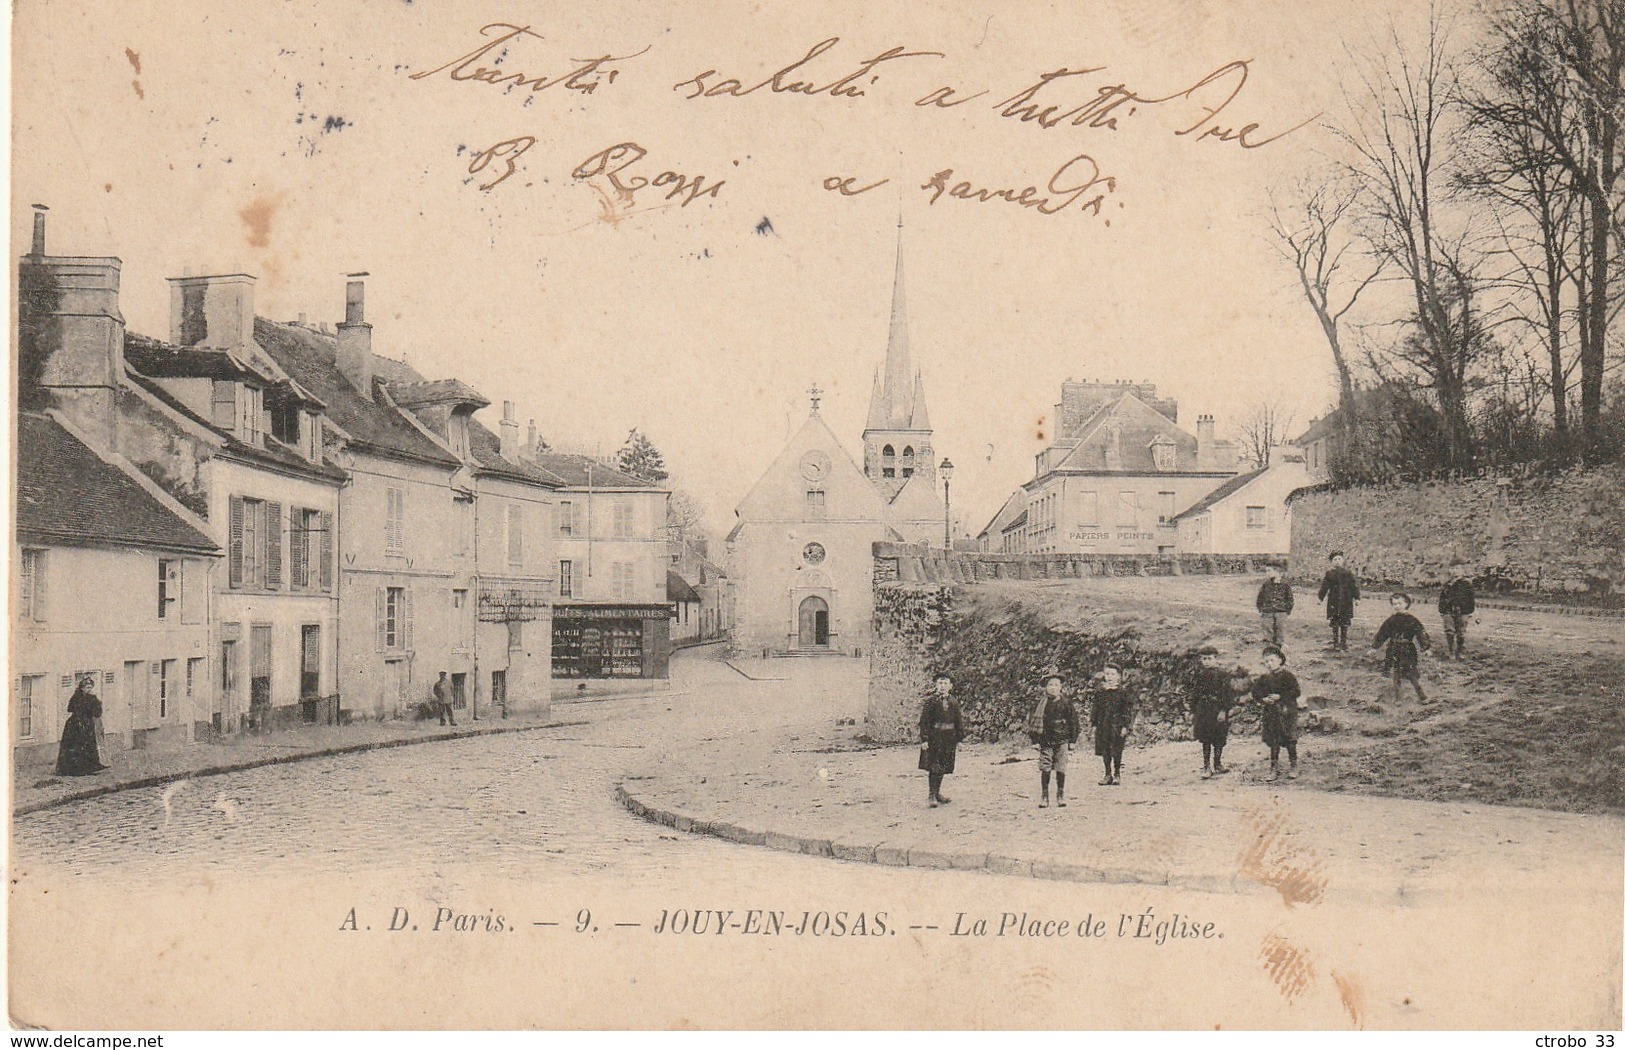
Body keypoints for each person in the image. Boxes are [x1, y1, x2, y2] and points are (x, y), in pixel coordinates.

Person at [1250, 646, 1302, 781]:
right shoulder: (1264, 678)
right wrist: (1263, 699)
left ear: (1280, 660)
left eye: (1272, 660)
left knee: (1290, 739)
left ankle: (1294, 765)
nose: (1269, 664)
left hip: (1287, 712)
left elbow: (1296, 692)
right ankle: (1273, 768)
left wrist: (1281, 696)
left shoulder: (1288, 676)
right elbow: (1255, 692)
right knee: (1274, 740)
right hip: (1271, 712)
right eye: (1266, 661)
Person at [1028, 672, 1080, 808]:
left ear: (1061, 687)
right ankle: (1044, 796)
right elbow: (1032, 722)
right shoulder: (1041, 704)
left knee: (1061, 768)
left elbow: (1074, 722)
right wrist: (1035, 741)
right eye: (1050, 685)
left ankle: (1060, 795)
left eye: (1056, 685)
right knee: (1045, 767)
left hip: (1062, 739)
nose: (1053, 687)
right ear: (1045, 687)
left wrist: (1073, 740)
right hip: (1046, 740)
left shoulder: (1066, 703)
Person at [1372, 593, 1431, 703]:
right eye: (1394, 604)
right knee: (1396, 673)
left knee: (1411, 673)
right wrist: (1375, 647)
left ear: (1406, 604)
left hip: (1407, 649)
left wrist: (1425, 647)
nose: (1397, 606)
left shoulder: (1412, 620)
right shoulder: (1391, 620)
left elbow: (1420, 633)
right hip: (1394, 648)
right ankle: (1398, 698)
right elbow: (1382, 633)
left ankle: (1422, 696)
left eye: (1400, 603)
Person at [918, 675, 964, 808]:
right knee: (934, 766)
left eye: (945, 683)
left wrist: (959, 739)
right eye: (940, 683)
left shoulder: (954, 702)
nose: (942, 686)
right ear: (936, 685)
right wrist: (925, 739)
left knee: (944, 765)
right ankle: (931, 795)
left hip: (948, 738)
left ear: (950, 686)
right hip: (935, 738)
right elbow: (924, 722)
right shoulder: (931, 702)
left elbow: (958, 722)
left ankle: (938, 793)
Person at [1189, 646, 1235, 779]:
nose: (1206, 661)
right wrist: (1193, 710)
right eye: (1204, 659)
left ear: (1216, 659)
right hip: (1203, 711)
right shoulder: (1199, 675)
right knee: (1205, 738)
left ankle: (1218, 763)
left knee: (1219, 737)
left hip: (1218, 710)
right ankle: (1206, 766)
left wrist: (1223, 710)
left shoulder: (1222, 675)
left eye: (1209, 658)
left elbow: (1228, 694)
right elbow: (1194, 694)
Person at [56, 677, 109, 777]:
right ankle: (75, 769)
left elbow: (97, 713)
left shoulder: (92, 698)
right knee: (76, 745)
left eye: (90, 687)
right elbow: (70, 709)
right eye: (87, 687)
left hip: (87, 723)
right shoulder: (76, 697)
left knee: (88, 744)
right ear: (82, 688)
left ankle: (90, 766)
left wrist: (96, 702)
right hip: (75, 724)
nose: (89, 689)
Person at [1090, 665, 1133, 786]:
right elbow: (1095, 708)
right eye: (1107, 674)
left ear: (1118, 676)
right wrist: (1094, 723)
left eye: (1112, 674)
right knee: (1105, 749)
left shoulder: (1122, 692)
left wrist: (1125, 726)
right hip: (1103, 724)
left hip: (1117, 725)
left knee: (1117, 749)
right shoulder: (1100, 691)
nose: (1109, 677)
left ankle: (1117, 774)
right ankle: (1108, 774)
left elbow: (1127, 710)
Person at [1317, 551, 1361, 651]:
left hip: (1346, 601)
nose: (1337, 561)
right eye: (1335, 560)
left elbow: (1353, 586)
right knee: (1335, 622)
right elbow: (1324, 587)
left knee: (1345, 622)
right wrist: (1320, 598)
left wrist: (1357, 598)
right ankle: (1335, 642)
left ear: (1343, 560)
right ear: (1332, 562)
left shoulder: (1348, 573)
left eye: (1339, 559)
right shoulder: (1329, 574)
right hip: (1334, 601)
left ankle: (1344, 642)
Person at [1438, 565, 1477, 660]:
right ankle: (1451, 651)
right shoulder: (1447, 584)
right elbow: (1442, 598)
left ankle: (1460, 651)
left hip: (1463, 611)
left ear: (1463, 571)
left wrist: (1469, 611)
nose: (1455, 571)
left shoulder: (1467, 584)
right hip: (1448, 610)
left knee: (1461, 631)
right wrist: (1442, 611)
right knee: (1449, 630)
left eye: (1457, 568)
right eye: (1452, 568)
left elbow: (1471, 599)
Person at [1255, 570, 1295, 647]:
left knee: (1280, 629)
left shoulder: (1285, 584)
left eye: (1271, 571)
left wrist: (1288, 610)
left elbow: (1290, 598)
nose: (1268, 573)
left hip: (1281, 611)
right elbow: (1260, 596)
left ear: (1278, 572)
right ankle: (1269, 646)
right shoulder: (1266, 584)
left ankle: (1279, 646)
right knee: (1267, 628)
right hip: (1268, 611)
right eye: (1267, 571)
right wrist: (1260, 608)